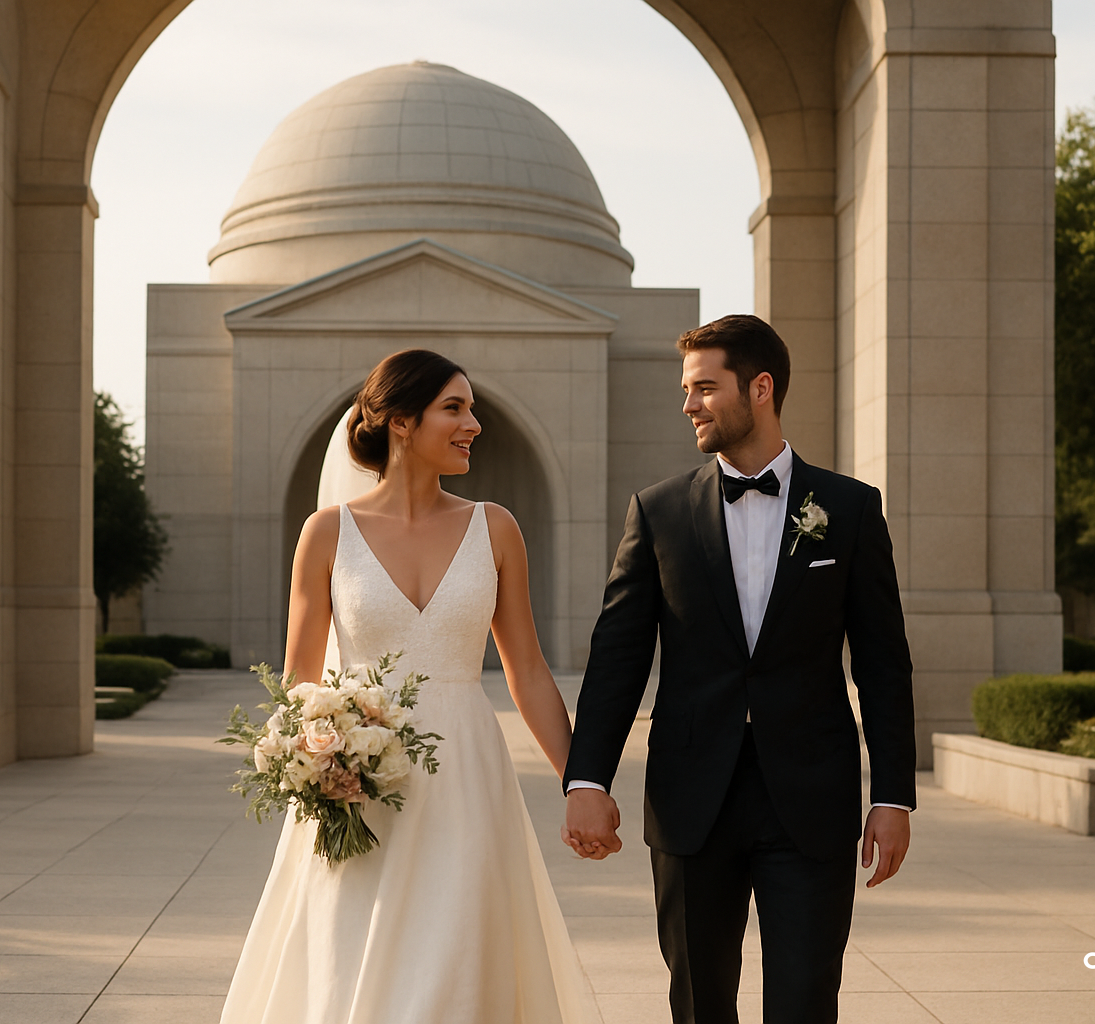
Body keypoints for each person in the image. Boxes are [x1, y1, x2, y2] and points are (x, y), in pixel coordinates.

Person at [220, 349, 594, 1024]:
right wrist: (314, 763)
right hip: (359, 786)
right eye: (454, 408)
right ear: (399, 422)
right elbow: (300, 682)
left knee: (458, 951)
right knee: (355, 944)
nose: (473, 423)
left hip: (468, 778)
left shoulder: (496, 527)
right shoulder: (327, 533)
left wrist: (582, 782)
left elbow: (528, 670)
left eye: (472, 408)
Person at [561, 314, 917, 1024]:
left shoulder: (847, 509)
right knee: (697, 1004)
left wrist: (894, 795)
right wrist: (587, 778)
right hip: (692, 800)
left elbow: (882, 662)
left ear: (760, 388)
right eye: (686, 389)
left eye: (703, 387)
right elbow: (618, 658)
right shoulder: (657, 512)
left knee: (805, 1002)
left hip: (810, 800)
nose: (688, 404)